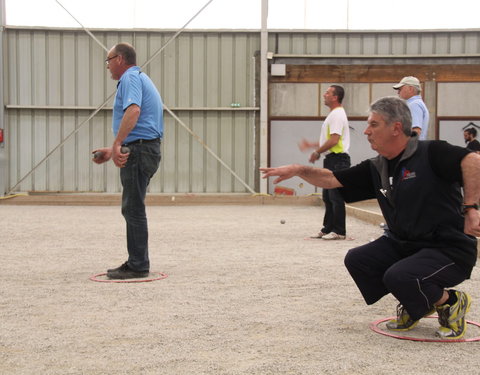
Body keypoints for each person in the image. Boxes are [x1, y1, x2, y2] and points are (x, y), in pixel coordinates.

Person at [261, 96, 480, 339]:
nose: (366, 131)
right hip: (405, 244)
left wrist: (471, 208)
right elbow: (332, 179)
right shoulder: (378, 167)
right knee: (359, 260)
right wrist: (299, 170)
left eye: (374, 124)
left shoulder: (431, 152)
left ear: (396, 128)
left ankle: (450, 302)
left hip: (448, 248)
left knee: (399, 275)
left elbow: (473, 160)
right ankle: (417, 302)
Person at [92, 43, 163, 279]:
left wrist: (117, 145)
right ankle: (138, 261)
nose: (107, 66)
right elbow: (138, 129)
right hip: (144, 149)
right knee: (133, 207)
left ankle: (138, 265)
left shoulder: (130, 78)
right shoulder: (139, 77)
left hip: (140, 151)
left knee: (132, 208)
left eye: (108, 60)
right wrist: (114, 149)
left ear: (119, 59)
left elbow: (133, 111)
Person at [298, 85, 351, 240]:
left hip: (338, 160)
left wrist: (316, 152)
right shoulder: (334, 115)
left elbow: (334, 140)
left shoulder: (337, 115)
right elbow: (330, 140)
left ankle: (340, 231)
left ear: (335, 97)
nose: (324, 95)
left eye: (327, 92)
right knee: (328, 196)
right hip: (332, 160)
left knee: (336, 196)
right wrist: (313, 145)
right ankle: (327, 229)